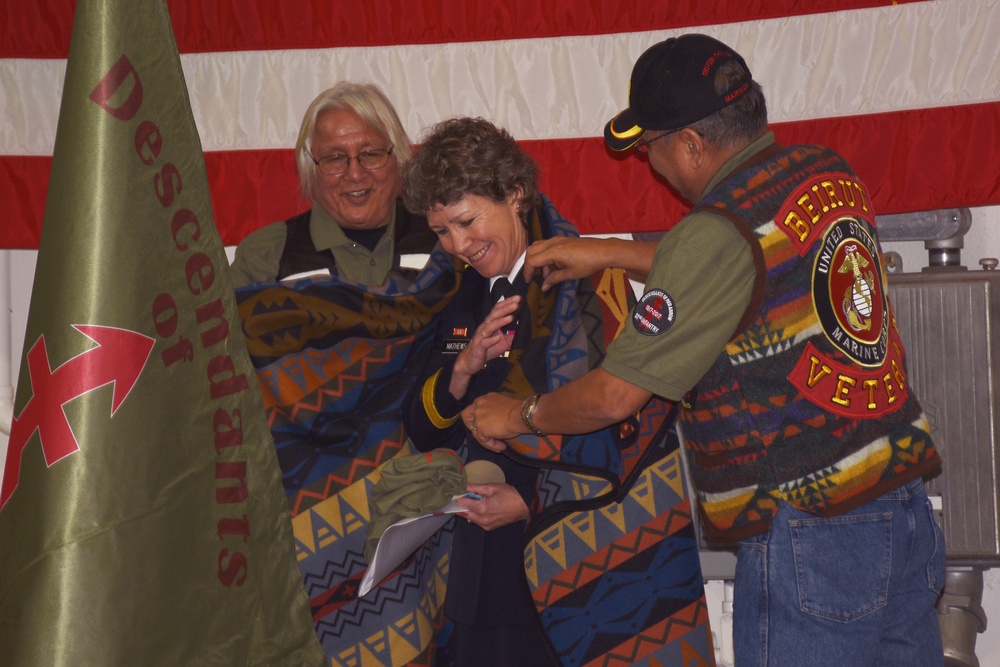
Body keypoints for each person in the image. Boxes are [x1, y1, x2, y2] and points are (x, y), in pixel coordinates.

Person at [462, 34, 945, 666]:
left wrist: (518, 415)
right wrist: (610, 250)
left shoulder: (709, 235)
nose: (651, 164)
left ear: (690, 144)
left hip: (811, 528)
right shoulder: (825, 173)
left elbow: (614, 396)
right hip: (901, 502)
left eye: (651, 149)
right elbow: (754, 264)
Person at [400, 116, 556, 667]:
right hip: (469, 570)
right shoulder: (455, 295)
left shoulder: (573, 283)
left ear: (515, 193)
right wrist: (461, 370)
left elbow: (620, 423)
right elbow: (418, 430)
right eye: (441, 231)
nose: (458, 245)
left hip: (558, 561)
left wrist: (530, 503)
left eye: (467, 221)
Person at [229, 82, 437, 286]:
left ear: (399, 159)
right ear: (310, 169)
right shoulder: (265, 256)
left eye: (371, 154)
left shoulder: (443, 235)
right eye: (335, 158)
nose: (355, 174)